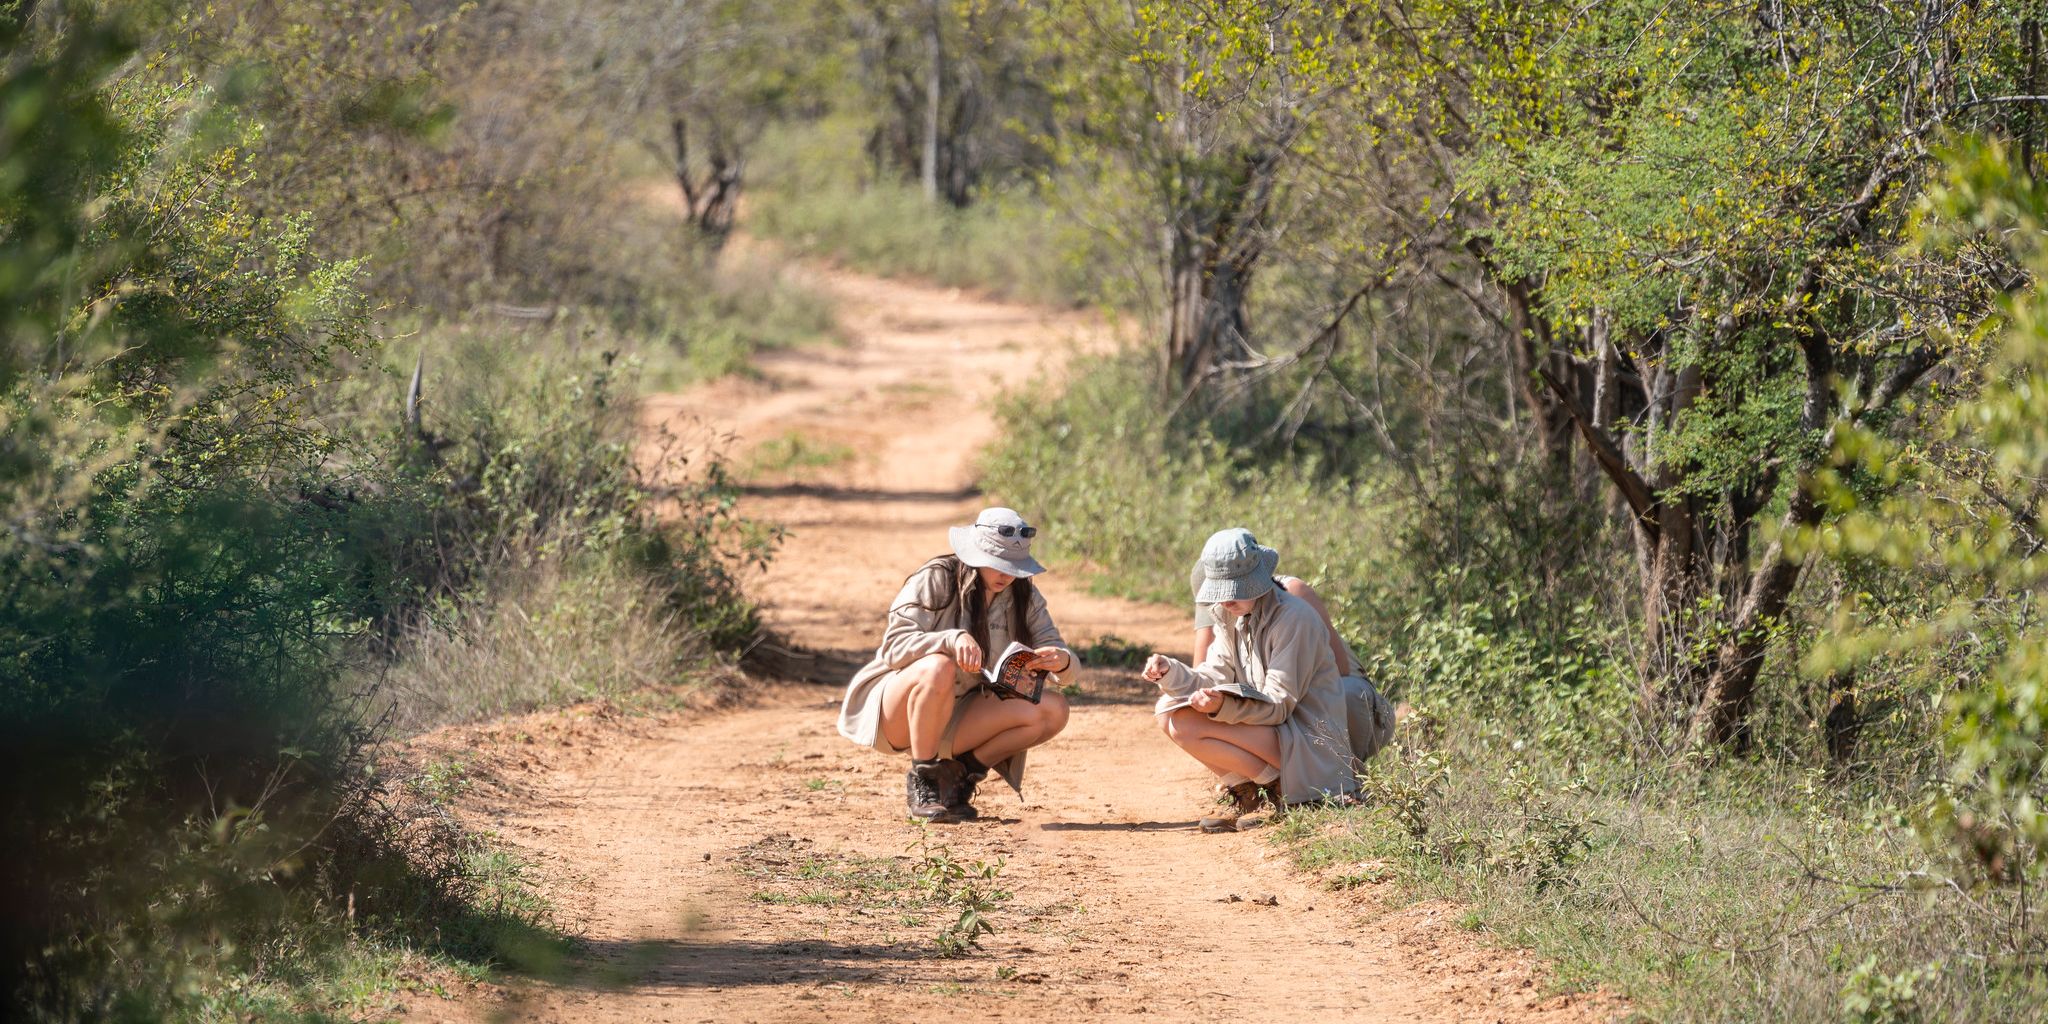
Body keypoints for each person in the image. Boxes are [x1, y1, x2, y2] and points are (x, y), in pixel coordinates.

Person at [837, 506, 1075, 822]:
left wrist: (1061, 661)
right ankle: (924, 781)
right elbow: (893, 649)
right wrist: (949, 640)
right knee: (939, 667)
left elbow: (1066, 662)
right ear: (975, 554)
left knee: (1053, 709)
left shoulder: (1024, 594)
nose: (1007, 574)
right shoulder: (937, 577)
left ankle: (957, 775)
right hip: (896, 714)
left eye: (1015, 567)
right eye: (998, 565)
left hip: (959, 713)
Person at [1145, 528, 1385, 833]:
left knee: (1189, 718)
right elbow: (1212, 675)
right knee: (1170, 711)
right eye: (1221, 589)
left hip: (1309, 745)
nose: (1227, 599)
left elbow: (1277, 707)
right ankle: (1255, 796)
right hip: (1277, 733)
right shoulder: (1231, 615)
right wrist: (1170, 672)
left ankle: (1282, 793)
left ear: (1258, 579)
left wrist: (1221, 705)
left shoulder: (1293, 618)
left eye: (1235, 588)